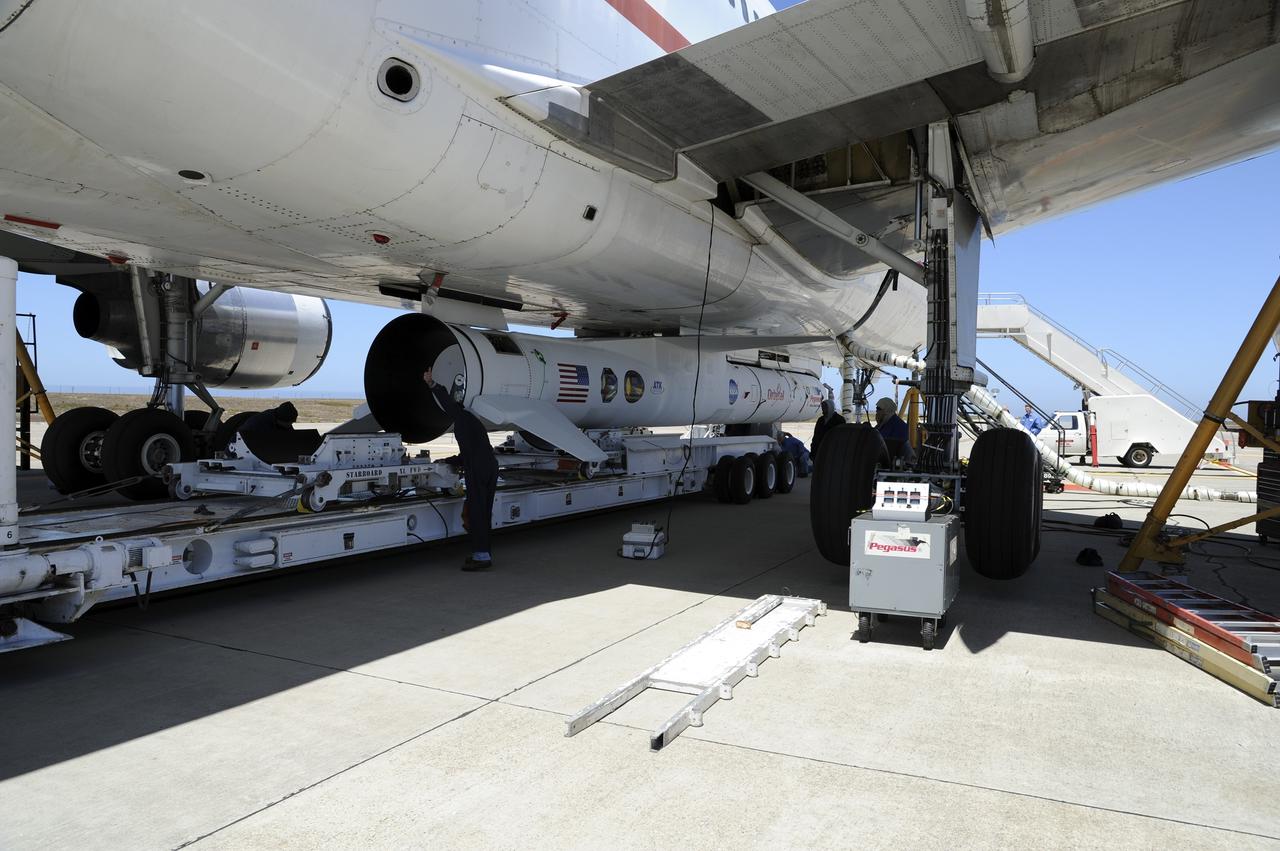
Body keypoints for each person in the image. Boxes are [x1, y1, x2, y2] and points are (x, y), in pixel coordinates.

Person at [423, 368, 499, 571]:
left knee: (477, 512)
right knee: (483, 512)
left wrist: (432, 384)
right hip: (489, 465)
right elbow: (468, 453)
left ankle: (481, 557)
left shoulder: (462, 418)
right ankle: (483, 554)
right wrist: (451, 459)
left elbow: (448, 404)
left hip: (479, 467)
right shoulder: (472, 420)